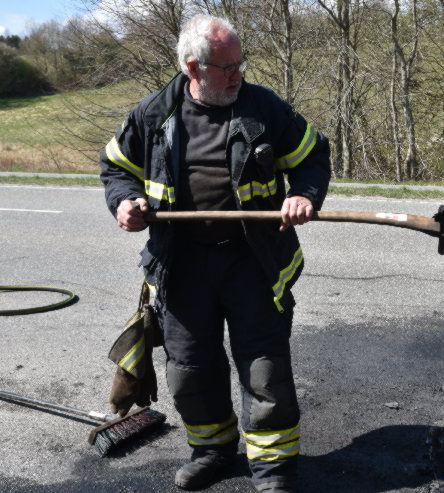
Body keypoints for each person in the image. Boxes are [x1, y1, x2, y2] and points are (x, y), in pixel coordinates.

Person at [100, 14, 331, 492]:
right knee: (190, 371)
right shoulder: (152, 115)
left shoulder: (263, 108)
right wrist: (124, 202)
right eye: (226, 67)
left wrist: (304, 193)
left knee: (264, 370)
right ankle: (213, 452)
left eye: (241, 63)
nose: (238, 74)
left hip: (253, 260)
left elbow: (312, 155)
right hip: (181, 265)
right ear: (193, 68)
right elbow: (116, 168)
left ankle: (273, 470)